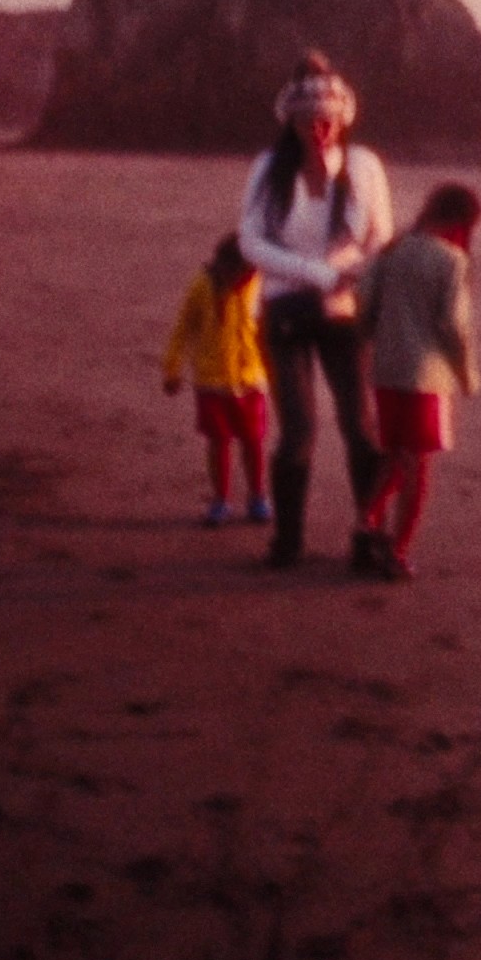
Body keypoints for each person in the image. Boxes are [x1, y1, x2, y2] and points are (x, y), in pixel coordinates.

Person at [241, 52, 396, 572]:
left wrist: (346, 272)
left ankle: (368, 535)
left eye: (329, 119)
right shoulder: (268, 168)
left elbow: (380, 236)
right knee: (299, 431)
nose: (321, 129)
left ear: (343, 117)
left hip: (345, 314)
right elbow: (251, 242)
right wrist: (318, 274)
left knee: (361, 428)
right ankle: (287, 543)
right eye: (311, 120)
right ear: (293, 120)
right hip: (284, 313)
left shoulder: (364, 166)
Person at [349, 182, 481, 580]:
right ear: (463, 222)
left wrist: (371, 347)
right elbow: (453, 325)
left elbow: (364, 305)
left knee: (394, 455)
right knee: (417, 467)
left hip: (387, 370)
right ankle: (397, 549)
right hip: (425, 376)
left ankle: (365, 527)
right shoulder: (452, 260)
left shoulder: (392, 249)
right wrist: (467, 375)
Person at [160, 232, 273, 528]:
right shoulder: (202, 285)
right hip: (212, 380)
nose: (242, 279)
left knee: (253, 441)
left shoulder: (257, 283)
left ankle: (257, 496)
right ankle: (221, 499)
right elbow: (183, 327)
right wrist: (172, 368)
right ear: (224, 266)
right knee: (218, 441)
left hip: (250, 379)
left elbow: (265, 328)